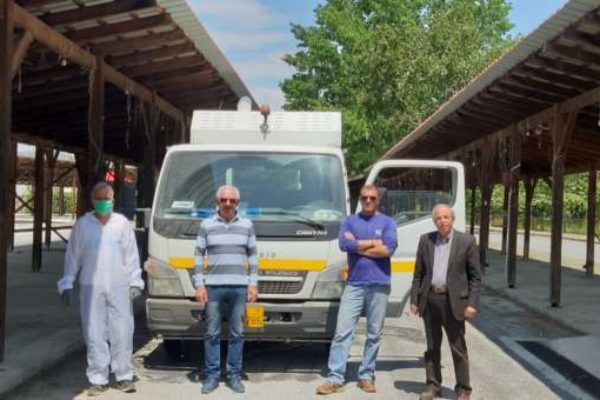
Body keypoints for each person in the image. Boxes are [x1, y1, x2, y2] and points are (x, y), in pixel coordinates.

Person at [57, 181, 144, 397]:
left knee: (122, 330)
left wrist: (135, 282)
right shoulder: (83, 225)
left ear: (113, 200)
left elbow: (131, 255)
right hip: (91, 285)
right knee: (94, 331)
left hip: (119, 285)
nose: (103, 202)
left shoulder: (121, 224)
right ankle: (98, 377)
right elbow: (73, 256)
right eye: (99, 198)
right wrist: (67, 282)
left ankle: (123, 375)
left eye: (107, 199)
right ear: (92, 200)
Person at [316, 184, 397, 395]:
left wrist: (359, 246)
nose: (368, 201)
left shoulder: (388, 222)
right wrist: (373, 243)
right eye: (364, 197)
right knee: (342, 332)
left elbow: (388, 250)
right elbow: (344, 244)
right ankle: (335, 378)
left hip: (379, 284)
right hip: (354, 285)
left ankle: (366, 376)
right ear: (359, 199)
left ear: (378, 200)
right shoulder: (350, 221)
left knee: (374, 334)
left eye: (372, 198)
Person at [410, 203, 482, 400]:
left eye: (446, 217)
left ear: (452, 219)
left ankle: (463, 389)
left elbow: (475, 276)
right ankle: (433, 385)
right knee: (432, 347)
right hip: (430, 300)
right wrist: (415, 299)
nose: (442, 221)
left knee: (458, 347)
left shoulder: (466, 241)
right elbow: (418, 274)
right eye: (438, 218)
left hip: (454, 302)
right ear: (434, 221)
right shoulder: (426, 240)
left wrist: (472, 303)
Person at [193, 185, 259, 394]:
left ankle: (234, 376)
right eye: (224, 200)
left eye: (232, 200)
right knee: (211, 333)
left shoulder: (247, 225)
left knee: (237, 333)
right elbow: (198, 255)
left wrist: (253, 283)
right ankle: (212, 376)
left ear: (237, 203)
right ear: (217, 202)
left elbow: (253, 256)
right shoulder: (207, 225)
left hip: (240, 287)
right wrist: (199, 284)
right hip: (213, 287)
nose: (228, 203)